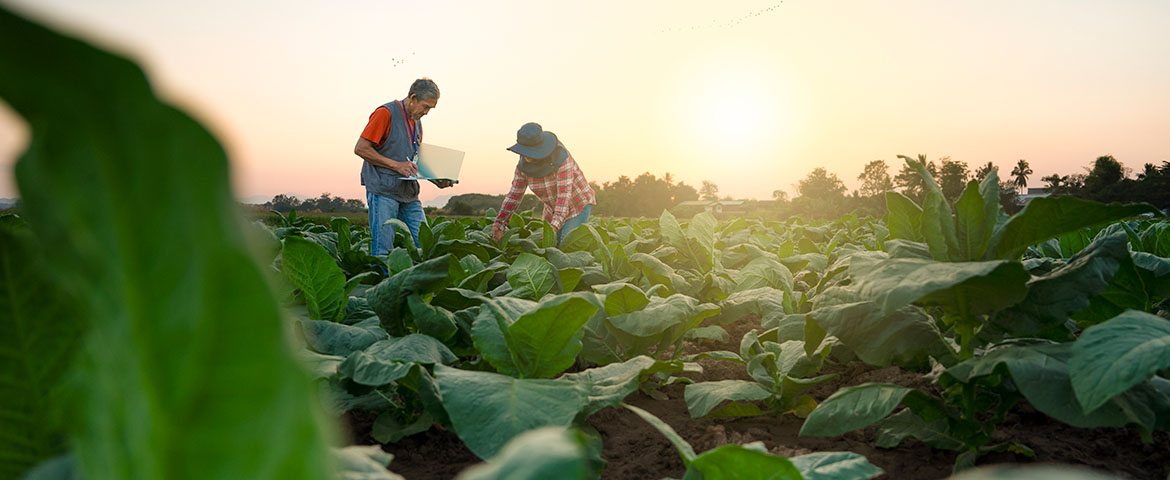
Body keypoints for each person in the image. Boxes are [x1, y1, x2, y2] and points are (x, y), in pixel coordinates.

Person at [354, 78, 453, 256]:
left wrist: (435, 178)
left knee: (425, 244)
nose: (426, 112)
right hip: (383, 191)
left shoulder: (417, 122)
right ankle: (380, 275)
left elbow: (413, 160)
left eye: (430, 109)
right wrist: (396, 166)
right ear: (413, 98)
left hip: (409, 193)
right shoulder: (385, 113)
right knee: (383, 249)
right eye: (425, 107)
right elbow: (361, 148)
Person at [492, 123, 596, 245]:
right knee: (551, 246)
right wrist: (500, 223)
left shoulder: (561, 159)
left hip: (577, 203)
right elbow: (514, 196)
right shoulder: (522, 167)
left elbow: (564, 196)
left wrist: (554, 226)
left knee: (566, 244)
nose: (526, 156)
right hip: (552, 208)